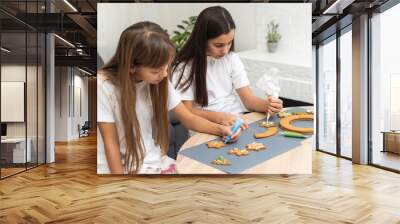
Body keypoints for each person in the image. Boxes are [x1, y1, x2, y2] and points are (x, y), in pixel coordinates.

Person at [97, 22, 243, 174]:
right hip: (117, 167)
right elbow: (110, 143)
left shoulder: (159, 81)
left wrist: (220, 129)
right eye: (156, 71)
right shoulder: (104, 86)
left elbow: (188, 117)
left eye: (167, 67)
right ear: (131, 66)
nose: (165, 74)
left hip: (151, 160)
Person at [171, 6, 283, 127]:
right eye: (219, 45)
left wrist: (268, 105)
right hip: (205, 125)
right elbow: (187, 111)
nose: (225, 50)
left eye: (229, 43)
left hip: (236, 119)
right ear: (202, 40)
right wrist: (218, 117)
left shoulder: (232, 58)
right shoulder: (184, 67)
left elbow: (249, 100)